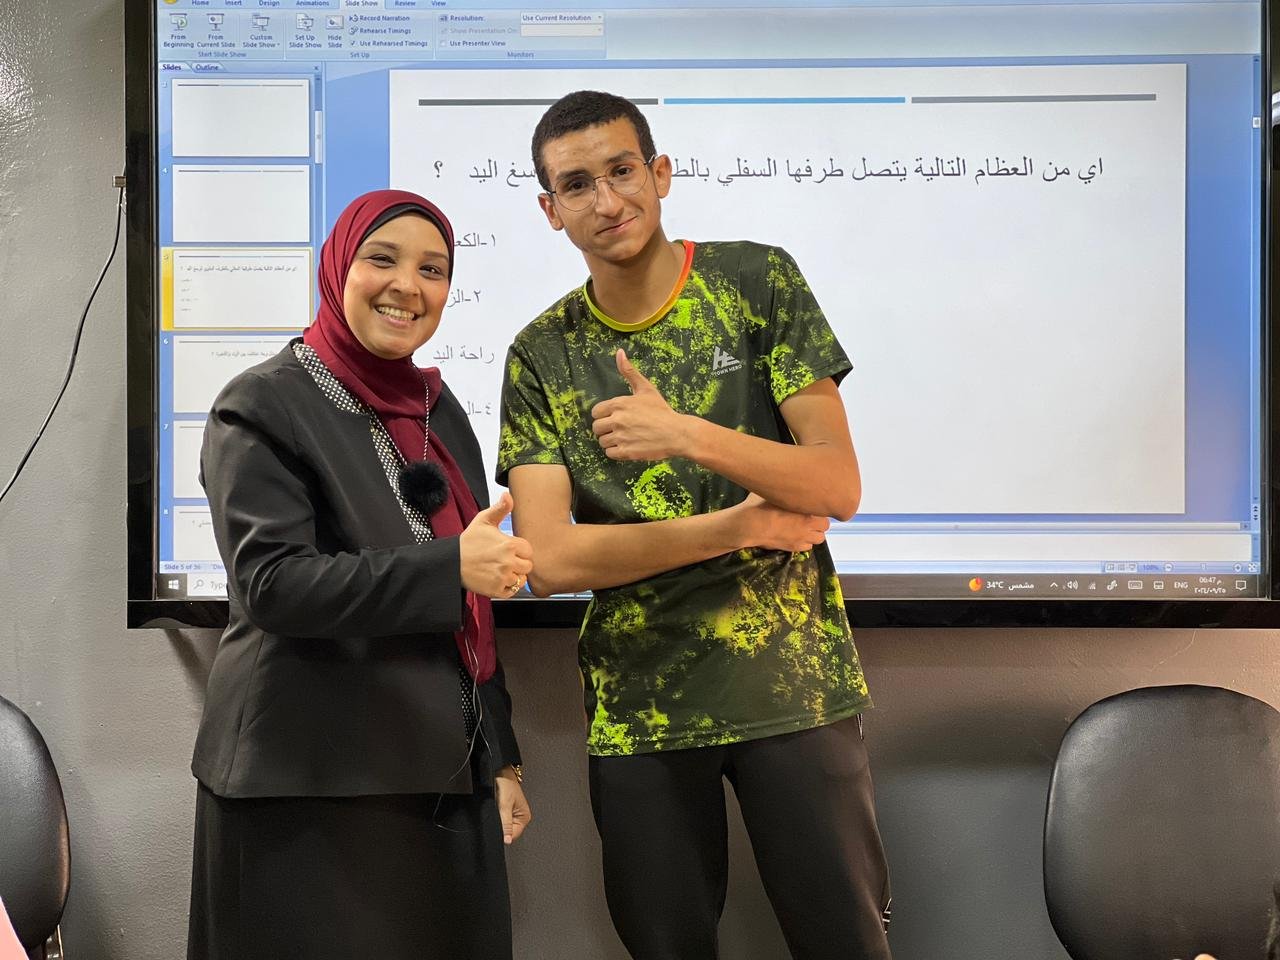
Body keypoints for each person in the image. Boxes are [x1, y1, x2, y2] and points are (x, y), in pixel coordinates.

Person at [497, 90, 892, 960]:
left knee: (846, 944)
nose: (606, 202)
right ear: (548, 209)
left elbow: (836, 482)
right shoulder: (543, 352)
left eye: (621, 171)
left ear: (659, 172)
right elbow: (554, 562)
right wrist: (738, 528)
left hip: (793, 690)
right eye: (575, 186)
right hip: (642, 707)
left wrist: (686, 435)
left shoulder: (758, 281)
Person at [188, 189, 533, 960]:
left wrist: (499, 756)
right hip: (306, 787)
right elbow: (273, 585)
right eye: (383, 259)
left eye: (433, 269)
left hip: (441, 776)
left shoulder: (437, 412)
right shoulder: (261, 404)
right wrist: (450, 565)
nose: (408, 285)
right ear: (340, 264)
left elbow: (468, 616)